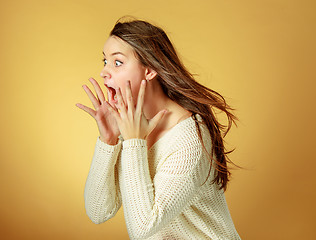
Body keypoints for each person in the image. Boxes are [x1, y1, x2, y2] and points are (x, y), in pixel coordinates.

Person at [76, 17, 242, 239]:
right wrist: (108, 141)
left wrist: (134, 142)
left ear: (150, 70)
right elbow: (99, 211)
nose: (104, 72)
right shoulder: (131, 124)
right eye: (104, 61)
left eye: (117, 62)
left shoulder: (189, 137)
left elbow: (143, 228)